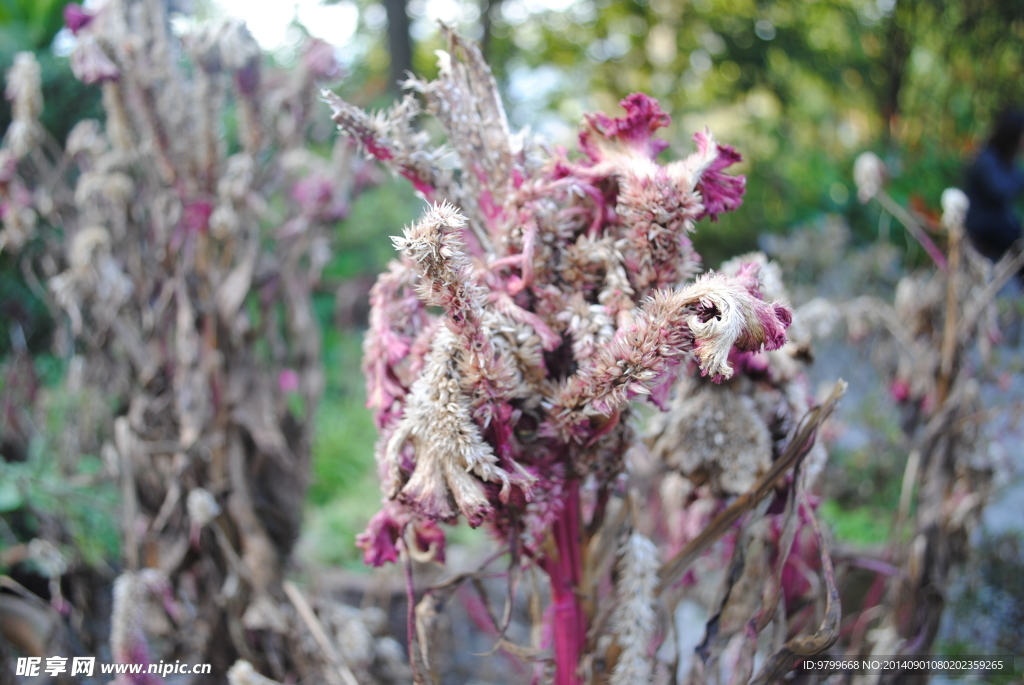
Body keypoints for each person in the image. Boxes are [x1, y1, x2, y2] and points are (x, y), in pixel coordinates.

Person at [964, 108, 1024, 262]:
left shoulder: (1005, 159)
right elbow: (999, 192)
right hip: (980, 223)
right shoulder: (987, 159)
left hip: (995, 222)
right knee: (1014, 235)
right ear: (1013, 133)